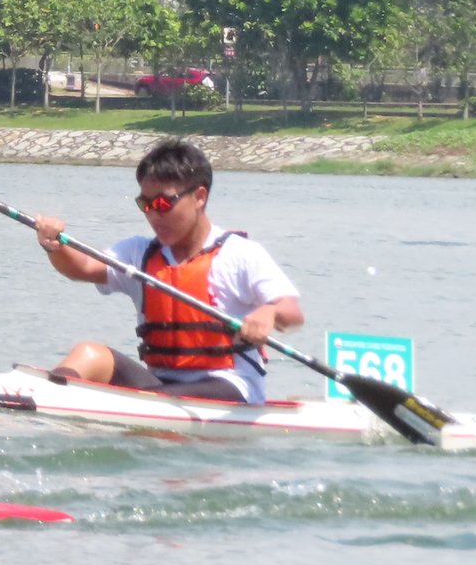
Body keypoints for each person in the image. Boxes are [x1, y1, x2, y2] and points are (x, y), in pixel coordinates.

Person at [32, 138, 303, 403]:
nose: (153, 215)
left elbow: (292, 312)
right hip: (161, 385)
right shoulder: (138, 253)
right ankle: (51, 395)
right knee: (89, 353)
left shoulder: (240, 254)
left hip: (230, 386)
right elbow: (83, 267)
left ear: (199, 197)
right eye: (145, 204)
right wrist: (54, 245)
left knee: (150, 399)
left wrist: (269, 312)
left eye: (163, 204)